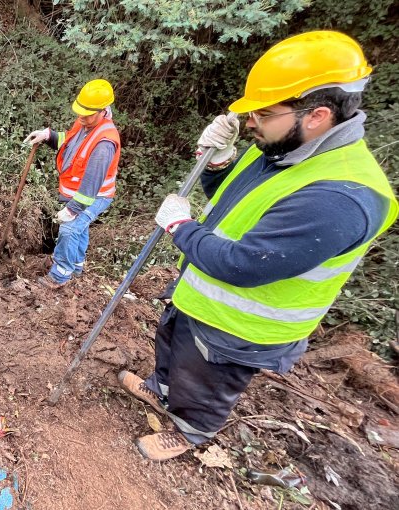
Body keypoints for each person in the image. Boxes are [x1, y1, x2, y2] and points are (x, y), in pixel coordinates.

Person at [118, 31, 398, 461]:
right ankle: (161, 391)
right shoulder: (282, 147)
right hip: (200, 291)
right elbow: (229, 200)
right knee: (174, 349)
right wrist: (218, 161)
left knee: (206, 379)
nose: (251, 122)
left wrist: (179, 227)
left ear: (317, 115)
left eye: (263, 113)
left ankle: (190, 429)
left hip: (240, 326)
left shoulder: (341, 198)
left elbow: (243, 264)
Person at [23, 79, 122, 288]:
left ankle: (59, 276)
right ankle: (76, 267)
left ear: (103, 111)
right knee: (79, 229)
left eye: (87, 114)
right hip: (79, 193)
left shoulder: (105, 142)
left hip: (95, 196)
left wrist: (72, 209)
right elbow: (69, 142)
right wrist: (48, 136)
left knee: (69, 229)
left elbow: (91, 184)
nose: (82, 118)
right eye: (80, 113)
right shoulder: (85, 122)